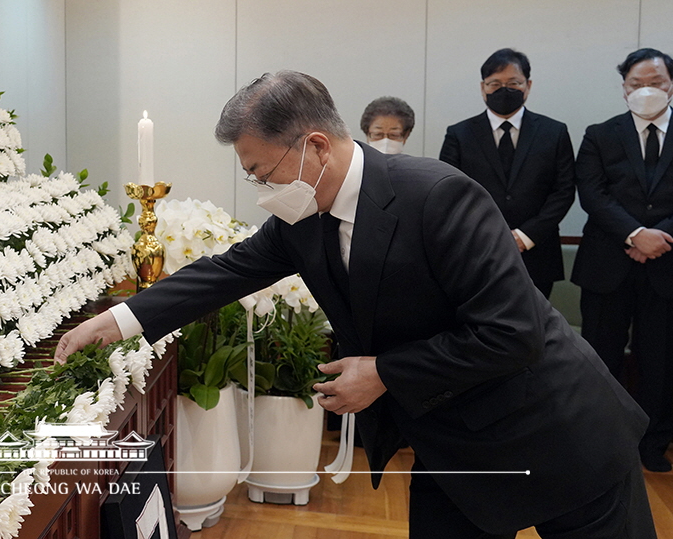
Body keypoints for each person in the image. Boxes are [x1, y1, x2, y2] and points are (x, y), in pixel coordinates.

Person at [56, 71, 654, 538]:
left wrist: (384, 373)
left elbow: (511, 334)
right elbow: (227, 272)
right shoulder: (304, 216)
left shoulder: (439, 197)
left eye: (263, 173)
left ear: (315, 146)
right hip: (454, 444)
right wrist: (116, 321)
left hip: (558, 434)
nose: (263, 190)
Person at [571, 47, 673, 473]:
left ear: (672, 85)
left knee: (661, 361)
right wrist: (635, 234)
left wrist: (658, 237)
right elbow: (592, 192)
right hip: (607, 264)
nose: (646, 91)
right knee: (599, 358)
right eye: (637, 84)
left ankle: (653, 444)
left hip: (667, 266)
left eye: (657, 83)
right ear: (624, 87)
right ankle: (600, 443)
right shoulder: (600, 133)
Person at [438, 48, 575, 298]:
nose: (505, 90)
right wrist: (489, 235)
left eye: (513, 83)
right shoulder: (459, 134)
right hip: (476, 251)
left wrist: (525, 236)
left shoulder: (554, 132)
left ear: (528, 85)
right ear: (483, 88)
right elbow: (449, 194)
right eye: (495, 84)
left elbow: (563, 192)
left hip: (537, 252)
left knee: (536, 330)